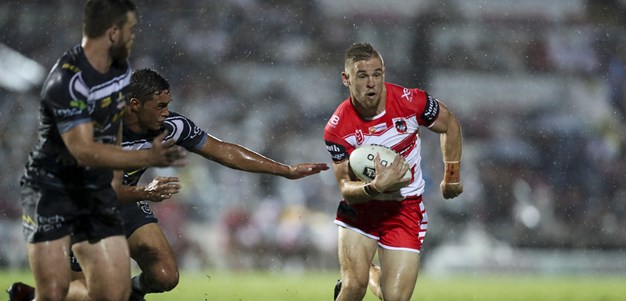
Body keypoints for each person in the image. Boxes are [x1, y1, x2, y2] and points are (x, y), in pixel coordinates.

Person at [9, 68, 330, 301]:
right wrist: (147, 192)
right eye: (159, 106)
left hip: (123, 201)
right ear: (134, 105)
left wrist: (284, 170)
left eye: (167, 105)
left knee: (165, 276)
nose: (167, 113)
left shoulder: (170, 126)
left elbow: (222, 150)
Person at [8, 1, 188, 301]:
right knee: (74, 293)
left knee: (111, 292)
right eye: (130, 30)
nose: (133, 37)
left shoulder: (115, 75)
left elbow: (110, 139)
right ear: (113, 32)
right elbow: (82, 149)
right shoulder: (69, 79)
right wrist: (147, 159)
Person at [324, 42, 463, 301]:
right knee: (354, 287)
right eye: (362, 76)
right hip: (362, 210)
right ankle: (358, 278)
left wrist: (452, 176)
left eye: (377, 74)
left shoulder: (411, 101)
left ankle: (372, 274)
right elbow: (345, 187)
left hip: (404, 209)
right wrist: (375, 186)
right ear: (346, 79)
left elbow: (450, 124)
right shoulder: (337, 127)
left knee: (395, 299)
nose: (372, 83)